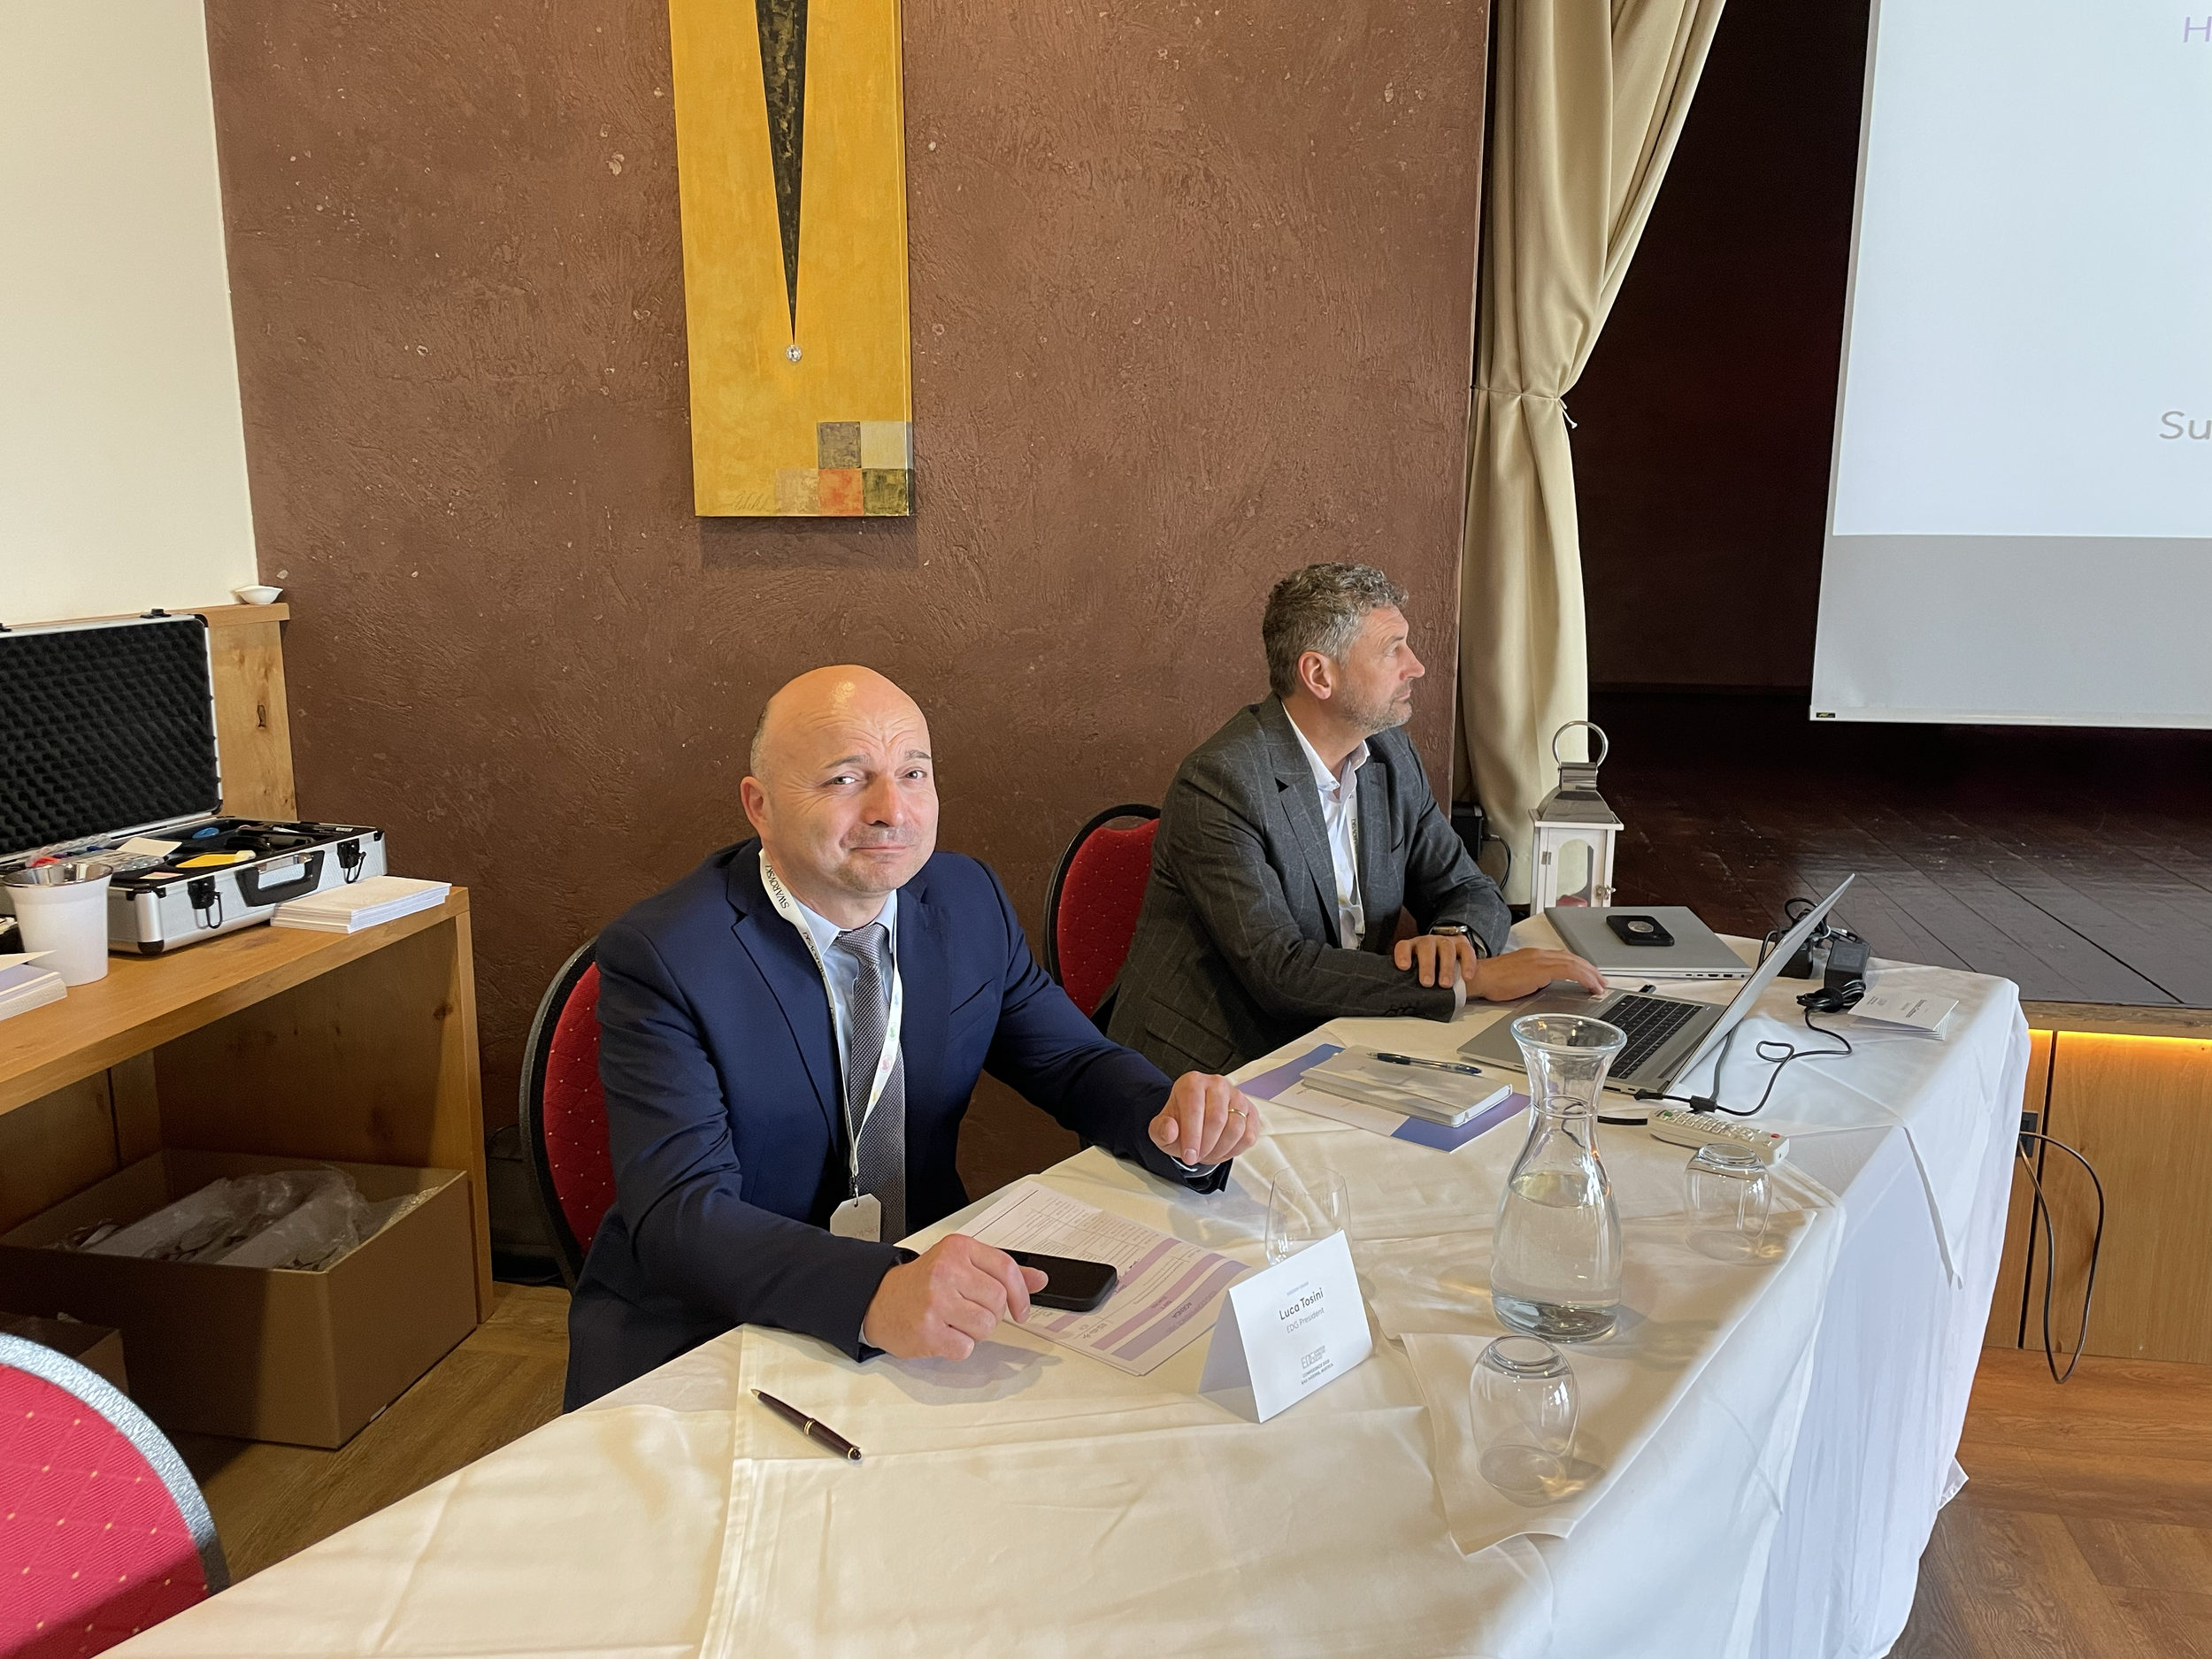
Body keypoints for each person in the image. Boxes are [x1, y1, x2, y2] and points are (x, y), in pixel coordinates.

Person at [565, 666, 1262, 1409]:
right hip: (714, 1325)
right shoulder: (667, 955)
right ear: (759, 806)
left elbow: (1070, 1058)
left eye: (913, 773)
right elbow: (680, 1214)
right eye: (844, 779)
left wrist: (1165, 1115)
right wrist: (875, 1289)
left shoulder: (965, 900)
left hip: (920, 1298)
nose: (890, 809)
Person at [1108, 563, 1606, 1078]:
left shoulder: (1389, 756)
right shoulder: (1221, 782)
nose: (1415, 666)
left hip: (1344, 1036)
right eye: (1393, 649)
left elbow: (1468, 888)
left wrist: (1456, 945)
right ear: (1319, 674)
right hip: (1212, 1068)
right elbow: (1279, 971)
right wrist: (1472, 981)